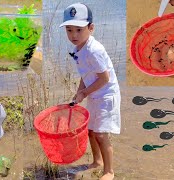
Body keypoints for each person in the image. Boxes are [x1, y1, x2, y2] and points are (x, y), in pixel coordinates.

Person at [60, 3, 121, 180]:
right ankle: (97, 162)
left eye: (79, 30)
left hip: (106, 95)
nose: (73, 35)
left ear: (91, 28)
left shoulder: (94, 50)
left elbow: (105, 78)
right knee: (91, 130)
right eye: (69, 30)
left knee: (101, 134)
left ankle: (109, 171)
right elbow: (85, 73)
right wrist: (80, 92)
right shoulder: (78, 48)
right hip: (94, 93)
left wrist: (85, 93)